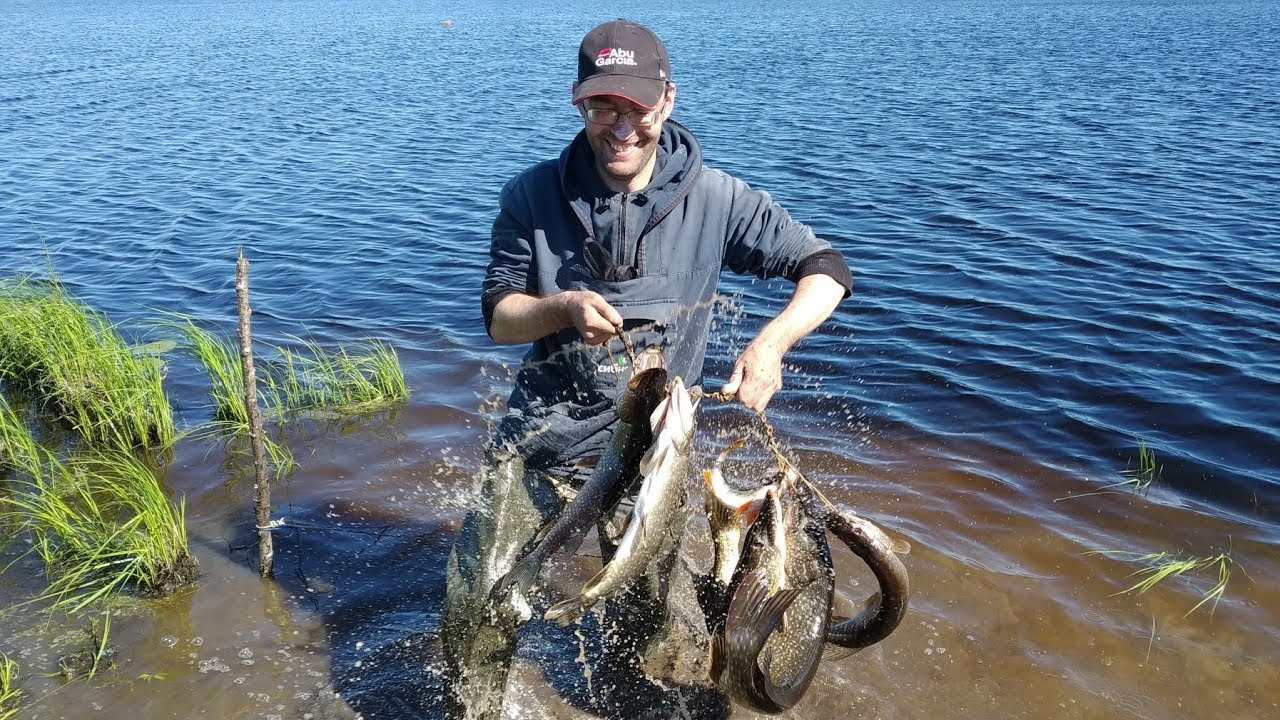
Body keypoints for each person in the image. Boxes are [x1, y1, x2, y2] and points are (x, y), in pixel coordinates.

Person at [441, 17, 853, 720]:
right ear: (581, 105)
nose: (620, 125)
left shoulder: (719, 199)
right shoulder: (531, 196)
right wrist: (563, 306)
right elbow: (500, 316)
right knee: (481, 604)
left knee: (645, 626)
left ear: (666, 101)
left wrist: (770, 345)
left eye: (635, 106)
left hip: (654, 458)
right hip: (540, 442)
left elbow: (828, 269)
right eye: (604, 106)